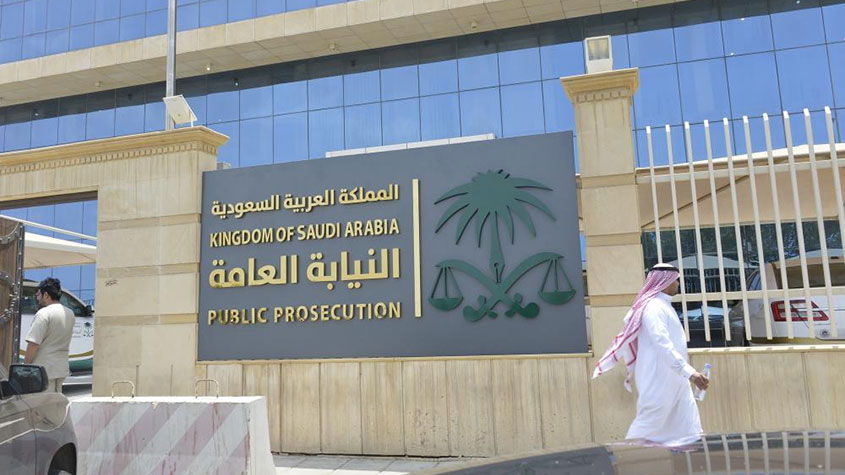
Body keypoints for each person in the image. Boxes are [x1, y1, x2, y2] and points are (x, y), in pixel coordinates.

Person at [592, 263, 709, 445]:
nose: (678, 284)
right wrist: (690, 372)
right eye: (676, 280)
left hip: (676, 379)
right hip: (658, 379)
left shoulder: (664, 306)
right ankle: (631, 458)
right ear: (666, 281)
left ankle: (690, 458)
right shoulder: (654, 308)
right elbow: (662, 344)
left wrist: (686, 374)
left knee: (689, 427)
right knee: (647, 427)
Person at [24, 277, 75, 392]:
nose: (37, 298)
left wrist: (25, 367)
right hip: (61, 368)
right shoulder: (70, 313)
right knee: (56, 401)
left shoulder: (43, 313)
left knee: (41, 402)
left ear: (46, 295)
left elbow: (33, 344)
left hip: (43, 370)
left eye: (38, 294)